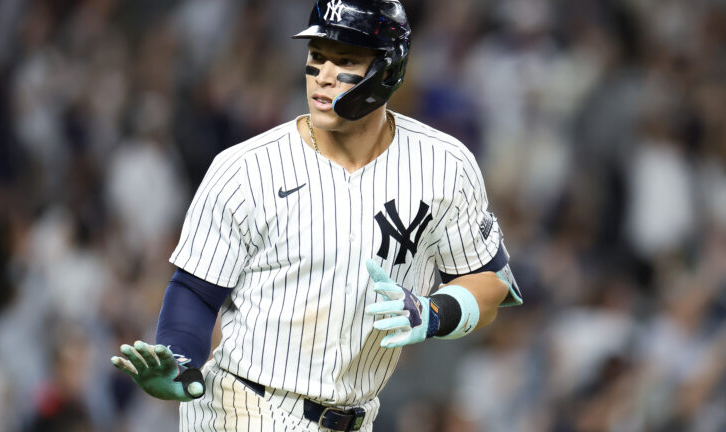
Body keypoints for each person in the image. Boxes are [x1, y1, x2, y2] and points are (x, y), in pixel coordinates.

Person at [110, 1, 522, 430]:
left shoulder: (443, 165)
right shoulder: (245, 167)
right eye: (317, 56)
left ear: (387, 70)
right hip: (243, 407)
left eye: (345, 60)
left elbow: (491, 283)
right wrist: (180, 360)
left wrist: (435, 312)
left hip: (357, 417)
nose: (323, 74)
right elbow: (195, 290)